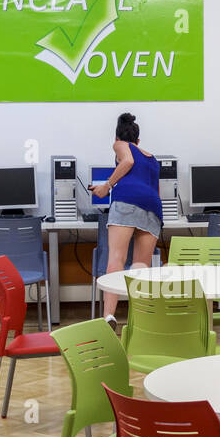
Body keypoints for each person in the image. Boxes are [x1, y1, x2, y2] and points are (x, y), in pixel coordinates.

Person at [91, 112, 162, 328]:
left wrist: (106, 186)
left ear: (116, 139)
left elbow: (128, 161)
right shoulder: (152, 158)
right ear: (139, 140)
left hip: (127, 200)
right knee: (140, 265)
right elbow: (155, 189)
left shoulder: (121, 145)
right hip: (153, 207)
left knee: (116, 258)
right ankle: (141, 320)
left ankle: (109, 317)